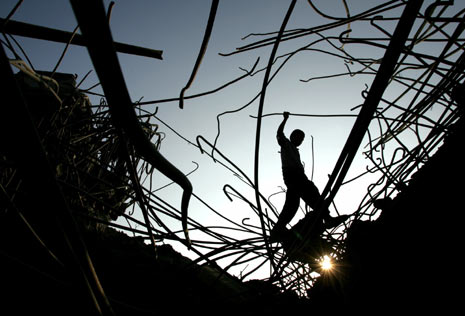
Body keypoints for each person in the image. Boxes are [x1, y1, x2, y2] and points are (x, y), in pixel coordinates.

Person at [270, 111, 348, 242]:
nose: (300, 141)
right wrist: (285, 119)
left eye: (302, 139)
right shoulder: (286, 144)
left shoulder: (294, 149)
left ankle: (278, 230)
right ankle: (327, 218)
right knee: (308, 194)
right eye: (299, 137)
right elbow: (279, 134)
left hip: (298, 175)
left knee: (296, 202)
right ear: (293, 136)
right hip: (293, 175)